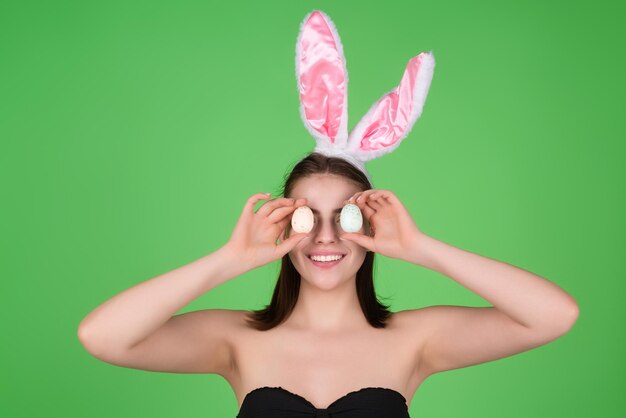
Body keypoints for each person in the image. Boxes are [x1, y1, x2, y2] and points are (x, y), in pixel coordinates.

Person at [77, 152, 579, 418]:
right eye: (306, 218)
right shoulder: (236, 341)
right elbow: (102, 336)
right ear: (281, 226)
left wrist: (421, 247)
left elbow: (554, 315)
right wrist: (229, 260)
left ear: (370, 227)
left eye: (346, 216)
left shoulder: (415, 341)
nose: (325, 236)